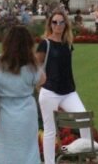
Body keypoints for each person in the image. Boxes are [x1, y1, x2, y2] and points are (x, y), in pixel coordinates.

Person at [36, 8, 91, 161]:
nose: (58, 25)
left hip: (68, 91)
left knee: (84, 119)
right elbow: (36, 66)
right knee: (49, 130)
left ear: (65, 25)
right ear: (50, 24)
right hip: (50, 91)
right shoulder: (45, 44)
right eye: (55, 22)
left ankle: (87, 155)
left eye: (61, 22)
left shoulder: (68, 44)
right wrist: (39, 84)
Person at [0, 26, 43, 164]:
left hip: (4, 111)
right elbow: (42, 80)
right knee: (28, 150)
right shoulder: (33, 65)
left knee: (3, 151)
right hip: (26, 110)